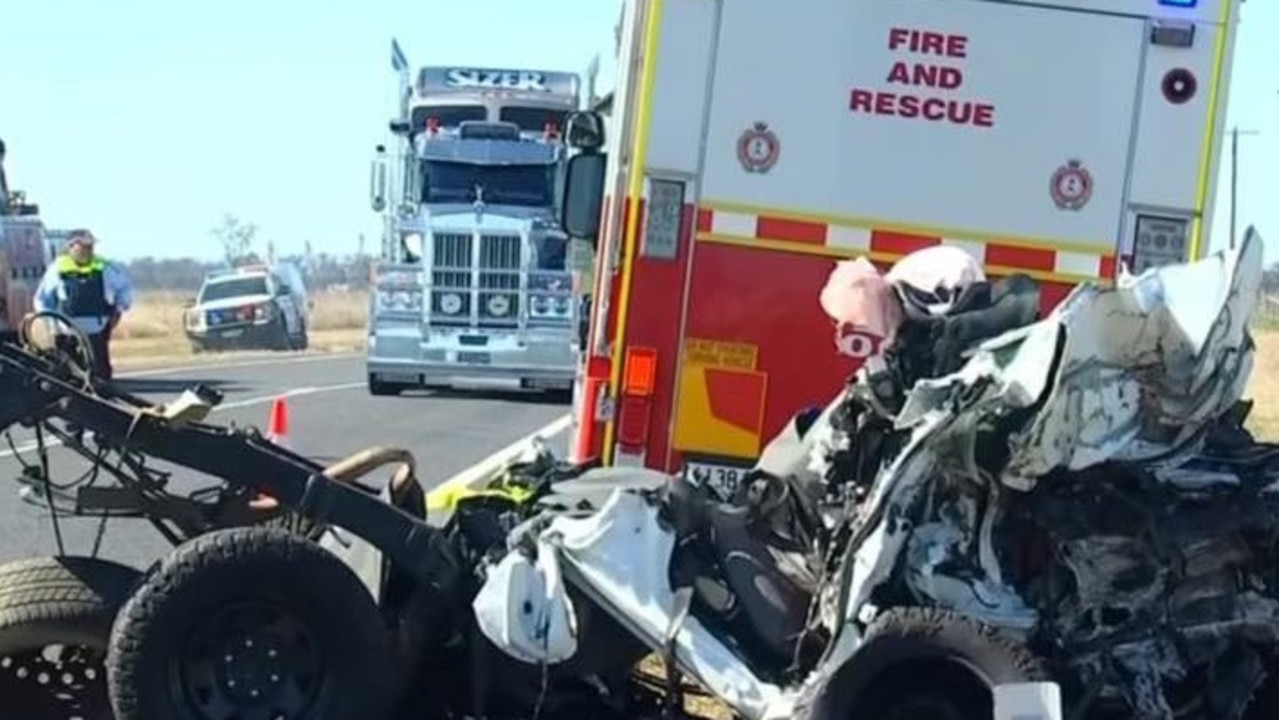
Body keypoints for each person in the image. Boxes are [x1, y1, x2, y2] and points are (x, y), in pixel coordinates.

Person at [33, 229, 134, 380]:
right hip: (66, 332)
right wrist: (51, 324)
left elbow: (125, 288)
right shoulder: (57, 269)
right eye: (83, 246)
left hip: (97, 329)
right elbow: (43, 299)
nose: (88, 250)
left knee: (101, 373)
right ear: (71, 246)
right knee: (68, 375)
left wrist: (119, 309)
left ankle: (102, 398)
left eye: (90, 246)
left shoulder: (105, 267)